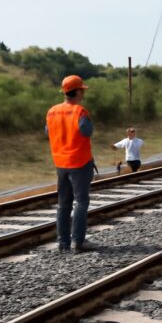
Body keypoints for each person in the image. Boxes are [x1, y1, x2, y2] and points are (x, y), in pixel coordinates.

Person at [45, 75, 95, 253]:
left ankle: (63, 243)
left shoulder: (52, 111)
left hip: (60, 163)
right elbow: (87, 132)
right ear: (78, 91)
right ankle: (78, 242)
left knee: (63, 204)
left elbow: (47, 131)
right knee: (81, 202)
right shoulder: (80, 112)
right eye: (83, 89)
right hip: (80, 162)